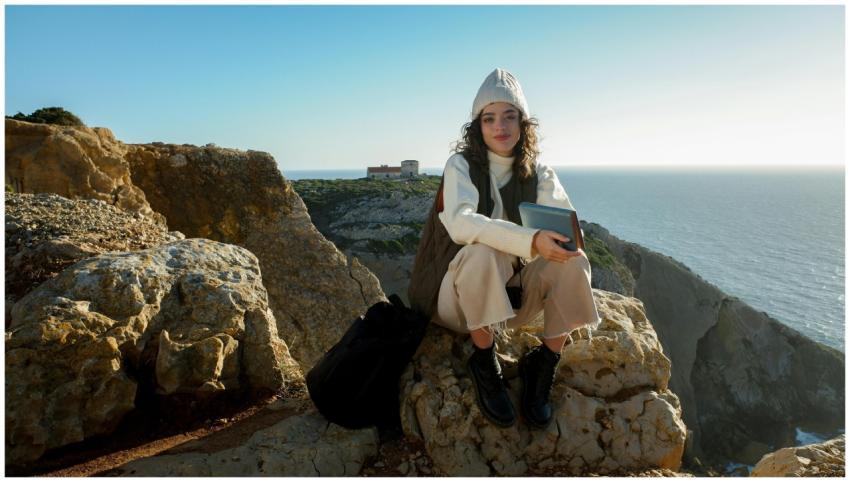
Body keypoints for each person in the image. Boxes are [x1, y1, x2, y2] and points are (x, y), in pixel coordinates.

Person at [408, 68, 600, 429]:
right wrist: (528, 240)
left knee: (572, 260)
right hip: (459, 302)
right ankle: (484, 359)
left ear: (523, 124)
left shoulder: (540, 172)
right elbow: (462, 222)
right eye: (490, 118)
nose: (500, 127)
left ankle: (544, 363)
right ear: (478, 126)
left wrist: (556, 243)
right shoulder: (460, 166)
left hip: (515, 302)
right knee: (484, 250)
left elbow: (563, 228)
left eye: (509, 117)